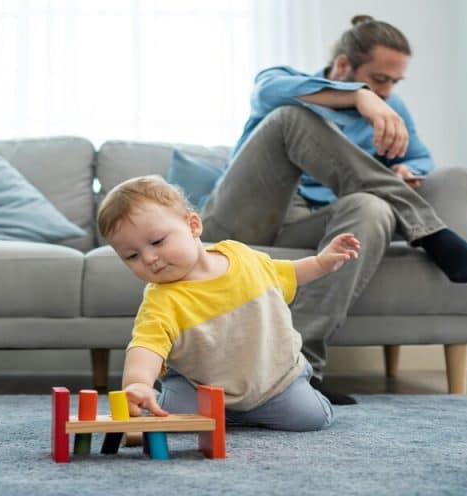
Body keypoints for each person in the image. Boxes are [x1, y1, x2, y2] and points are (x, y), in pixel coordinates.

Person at [200, 15, 467, 405]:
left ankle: (296, 370)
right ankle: (430, 231)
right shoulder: (284, 81)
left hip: (312, 222)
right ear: (344, 65)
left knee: (373, 207)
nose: (386, 92)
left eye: (394, 83)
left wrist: (407, 169)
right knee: (291, 118)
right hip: (244, 218)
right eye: (379, 80)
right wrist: (358, 96)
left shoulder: (391, 107)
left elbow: (421, 157)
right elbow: (267, 91)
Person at [98, 175, 361, 432]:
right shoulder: (160, 300)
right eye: (132, 256)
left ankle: (295, 391)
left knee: (311, 419)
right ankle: (208, 410)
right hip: (200, 388)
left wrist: (321, 263)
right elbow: (146, 346)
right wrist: (138, 384)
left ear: (193, 226)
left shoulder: (239, 255)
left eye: (157, 242)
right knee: (172, 419)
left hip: (273, 383)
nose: (149, 258)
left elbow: (282, 273)